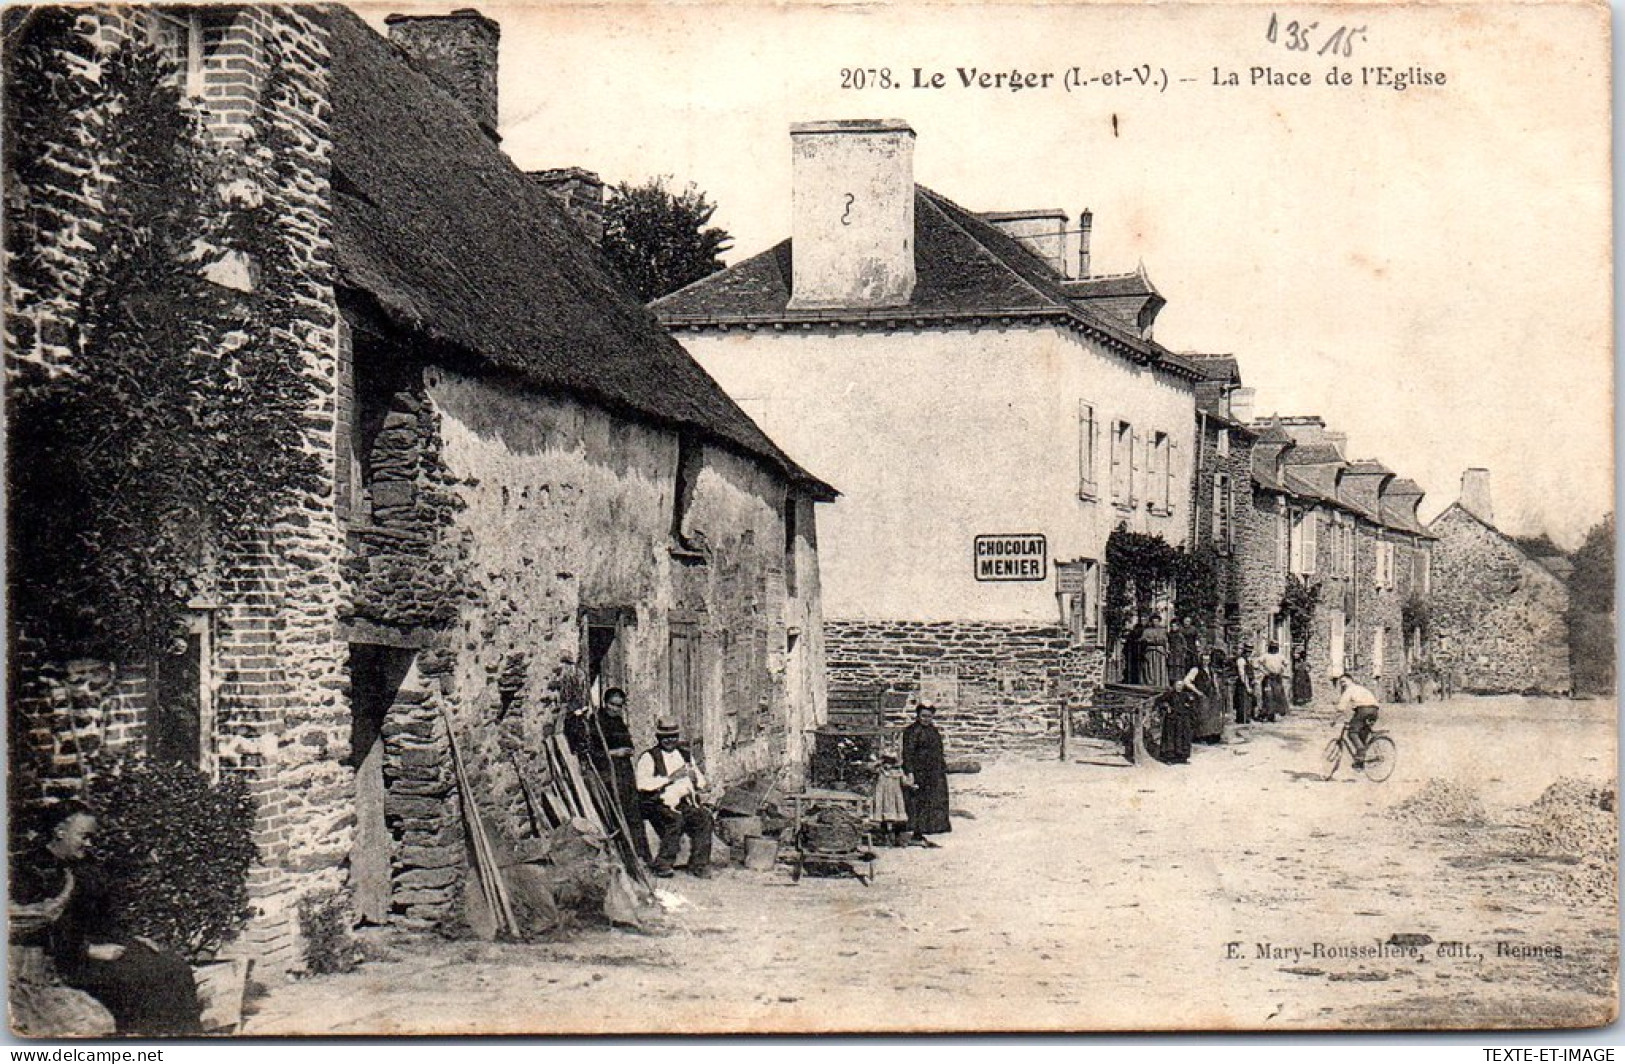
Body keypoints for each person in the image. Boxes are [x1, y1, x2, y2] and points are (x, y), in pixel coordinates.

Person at [10, 803, 202, 1036]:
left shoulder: (87, 865)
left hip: (103, 944)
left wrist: (134, 939)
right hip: (64, 958)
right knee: (139, 979)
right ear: (60, 831)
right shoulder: (33, 870)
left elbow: (105, 916)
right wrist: (87, 949)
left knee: (173, 966)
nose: (90, 844)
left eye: (92, 838)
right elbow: (33, 926)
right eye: (84, 836)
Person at [564, 687, 650, 865]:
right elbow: (591, 753)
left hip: (625, 771)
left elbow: (628, 743)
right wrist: (614, 753)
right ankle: (621, 855)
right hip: (607, 773)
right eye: (612, 705)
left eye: (619, 706)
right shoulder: (596, 723)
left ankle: (641, 855)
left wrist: (628, 750)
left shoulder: (619, 721)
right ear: (605, 703)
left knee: (633, 811)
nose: (615, 709)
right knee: (614, 812)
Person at [634, 719, 714, 878]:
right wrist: (670, 778)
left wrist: (696, 780)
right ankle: (663, 863)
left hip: (681, 801)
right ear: (658, 737)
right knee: (675, 820)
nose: (670, 740)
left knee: (704, 817)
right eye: (665, 737)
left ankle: (699, 864)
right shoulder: (649, 757)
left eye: (673, 736)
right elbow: (642, 784)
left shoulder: (684, 754)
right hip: (656, 802)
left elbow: (700, 780)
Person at [901, 703, 951, 845]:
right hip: (919, 771)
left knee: (933, 802)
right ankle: (916, 832)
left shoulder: (933, 731)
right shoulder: (911, 731)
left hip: (934, 772)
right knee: (917, 802)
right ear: (917, 716)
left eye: (929, 716)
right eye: (923, 716)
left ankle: (926, 830)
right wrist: (909, 772)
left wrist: (941, 768)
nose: (926, 719)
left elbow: (938, 751)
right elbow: (908, 753)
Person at [1331, 669, 1382, 764]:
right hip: (1374, 711)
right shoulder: (1361, 688)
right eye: (1341, 683)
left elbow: (1341, 707)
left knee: (1352, 733)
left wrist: (1334, 720)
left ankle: (1361, 754)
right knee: (1362, 736)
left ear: (1350, 680)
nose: (1342, 684)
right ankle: (1360, 762)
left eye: (1344, 681)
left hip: (1364, 710)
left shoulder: (1349, 689)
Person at [871, 753, 911, 847]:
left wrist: (910, 783)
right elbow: (871, 769)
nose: (888, 764)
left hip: (895, 797)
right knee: (884, 818)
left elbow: (905, 782)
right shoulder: (880, 770)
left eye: (891, 761)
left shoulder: (898, 771)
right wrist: (877, 762)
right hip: (883, 796)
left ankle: (898, 838)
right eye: (886, 761)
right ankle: (885, 838)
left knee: (898, 818)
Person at [1157, 681, 1197, 764]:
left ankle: (1182, 758)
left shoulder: (1185, 694)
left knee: (1184, 736)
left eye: (1181, 685)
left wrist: (1189, 704)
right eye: (1178, 685)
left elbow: (1191, 703)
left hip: (1182, 718)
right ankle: (1170, 758)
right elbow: (1161, 701)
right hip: (1172, 718)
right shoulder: (1169, 694)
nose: (1179, 687)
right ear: (1174, 685)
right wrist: (1167, 706)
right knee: (1171, 737)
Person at [1255, 641, 1290, 722]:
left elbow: (1287, 663)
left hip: (1277, 678)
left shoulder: (1280, 656)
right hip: (1268, 677)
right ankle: (1267, 714)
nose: (1274, 648)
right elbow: (1255, 664)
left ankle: (1276, 714)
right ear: (1270, 647)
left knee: (1277, 695)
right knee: (1268, 696)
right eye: (1272, 647)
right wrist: (1263, 671)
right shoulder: (1265, 656)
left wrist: (1282, 670)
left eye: (1275, 647)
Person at [1139, 614, 1170, 690]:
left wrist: (1167, 650)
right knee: (1150, 667)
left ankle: (1161, 684)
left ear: (1159, 622)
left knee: (1160, 667)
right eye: (1153, 621)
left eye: (1157, 621)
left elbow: (1166, 641)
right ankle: (1150, 684)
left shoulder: (1163, 631)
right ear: (1151, 622)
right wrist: (1147, 641)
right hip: (1150, 650)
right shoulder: (1146, 631)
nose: (1155, 623)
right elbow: (1142, 640)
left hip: (1160, 651)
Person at [1232, 643, 1257, 724]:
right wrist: (1247, 686)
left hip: (1249, 682)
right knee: (1243, 701)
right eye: (1248, 652)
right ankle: (1242, 719)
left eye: (1250, 652)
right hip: (1243, 683)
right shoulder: (1241, 660)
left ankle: (1247, 718)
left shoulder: (1248, 660)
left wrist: (1253, 680)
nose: (1249, 653)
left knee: (1250, 701)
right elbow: (1242, 673)